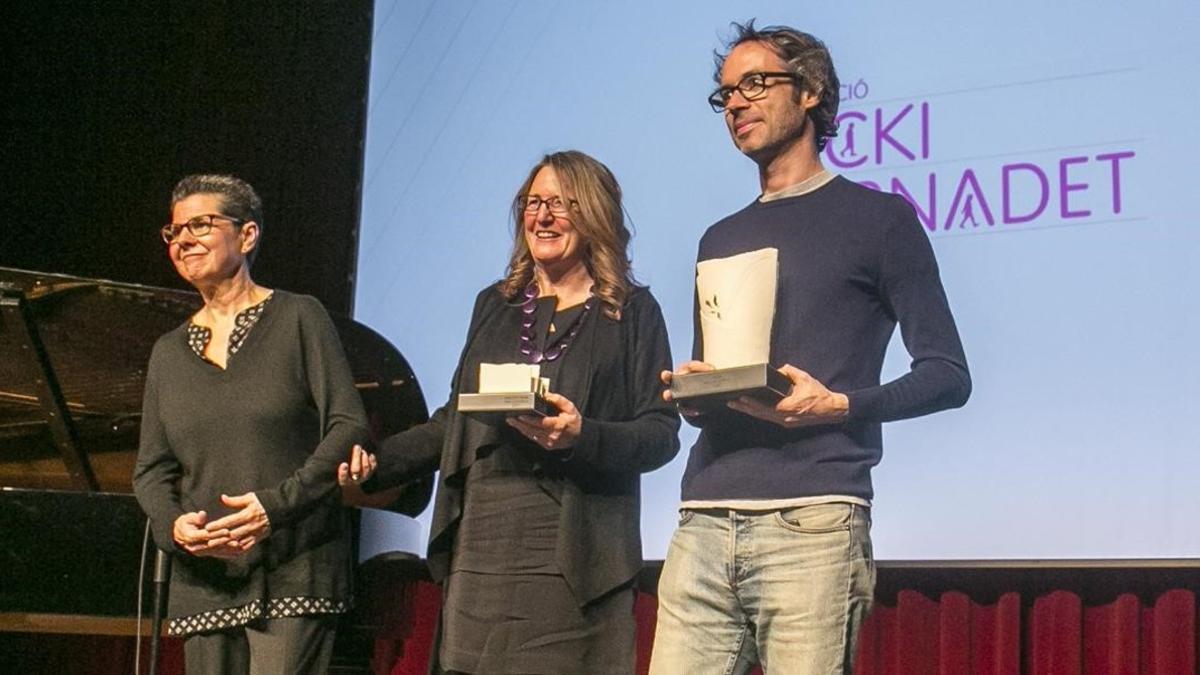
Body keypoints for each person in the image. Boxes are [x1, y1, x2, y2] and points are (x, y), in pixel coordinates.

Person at [649, 22, 972, 674]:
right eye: (725, 95)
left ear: (811, 92)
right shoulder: (719, 236)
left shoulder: (880, 220)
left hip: (814, 522)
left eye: (754, 84)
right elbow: (720, 383)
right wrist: (694, 395)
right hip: (704, 518)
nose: (736, 103)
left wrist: (841, 405)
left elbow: (947, 373)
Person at [341, 150, 680, 674]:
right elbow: (454, 419)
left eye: (561, 204)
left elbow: (660, 435)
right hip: (482, 545)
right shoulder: (494, 305)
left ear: (595, 214)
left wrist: (581, 436)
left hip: (572, 556)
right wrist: (375, 463)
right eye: (533, 202)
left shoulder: (631, 312)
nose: (542, 217)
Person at [133, 174, 370, 674]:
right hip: (206, 578)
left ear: (247, 235)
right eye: (174, 231)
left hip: (294, 565)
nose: (183, 240)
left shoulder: (299, 317)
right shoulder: (168, 352)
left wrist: (274, 507)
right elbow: (151, 470)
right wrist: (174, 526)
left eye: (200, 224)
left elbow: (348, 425)